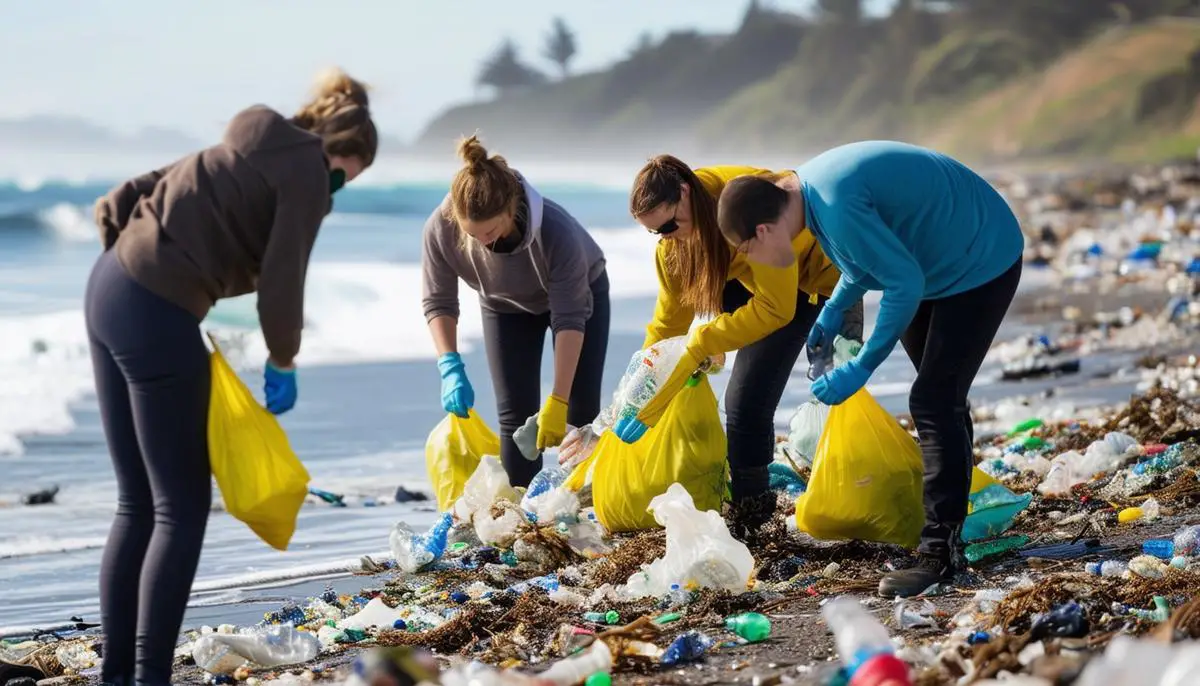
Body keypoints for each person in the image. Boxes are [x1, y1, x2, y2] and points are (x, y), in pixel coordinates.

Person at [86, 68, 378, 685]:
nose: (333, 192)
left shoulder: (247, 132)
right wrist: (284, 358)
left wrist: (137, 263)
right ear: (338, 153)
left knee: (137, 502)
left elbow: (127, 192)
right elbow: (283, 278)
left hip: (106, 289)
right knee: (180, 508)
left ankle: (117, 676)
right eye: (342, 179)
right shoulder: (307, 173)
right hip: (156, 314)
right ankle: (147, 678)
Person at [716, 140, 1024, 598]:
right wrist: (835, 308)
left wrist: (861, 367)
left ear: (763, 230)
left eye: (745, 250)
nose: (750, 262)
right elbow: (867, 259)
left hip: (980, 257)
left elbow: (902, 283)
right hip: (933, 260)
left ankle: (940, 555)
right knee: (942, 398)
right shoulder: (808, 197)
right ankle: (953, 527)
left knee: (934, 399)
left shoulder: (833, 204)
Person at [619, 156, 863, 538]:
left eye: (669, 225)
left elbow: (776, 308)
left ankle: (753, 517)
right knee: (733, 390)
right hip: (760, 282)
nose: (666, 237)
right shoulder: (676, 244)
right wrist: (637, 393)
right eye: (656, 233)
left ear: (686, 192)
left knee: (748, 402)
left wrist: (707, 341)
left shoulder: (743, 207)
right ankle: (750, 509)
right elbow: (668, 327)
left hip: (816, 281)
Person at [421, 136, 609, 489]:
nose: (483, 244)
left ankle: (587, 508)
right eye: (472, 235)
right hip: (504, 305)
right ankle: (525, 520)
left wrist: (558, 399)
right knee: (515, 421)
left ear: (511, 209)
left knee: (579, 415)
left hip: (580, 296)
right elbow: (439, 301)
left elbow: (569, 318)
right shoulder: (440, 228)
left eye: (490, 232)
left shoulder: (555, 231)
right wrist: (449, 365)